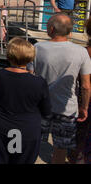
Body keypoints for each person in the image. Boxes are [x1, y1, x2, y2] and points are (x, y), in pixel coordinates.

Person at [27, 13, 91, 164]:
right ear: (69, 32)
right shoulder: (81, 52)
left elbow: (30, 77)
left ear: (50, 29)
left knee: (32, 143)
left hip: (40, 107)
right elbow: (86, 85)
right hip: (67, 109)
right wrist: (84, 107)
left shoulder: (37, 48)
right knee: (60, 149)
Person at [0, 37, 52, 164]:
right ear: (30, 58)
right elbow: (46, 110)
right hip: (27, 128)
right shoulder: (38, 82)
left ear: (9, 55)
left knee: (0, 158)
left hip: (1, 125)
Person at [69, 19, 91, 163]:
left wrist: (84, 106)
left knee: (81, 133)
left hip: (87, 99)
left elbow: (85, 84)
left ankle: (77, 158)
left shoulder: (86, 52)